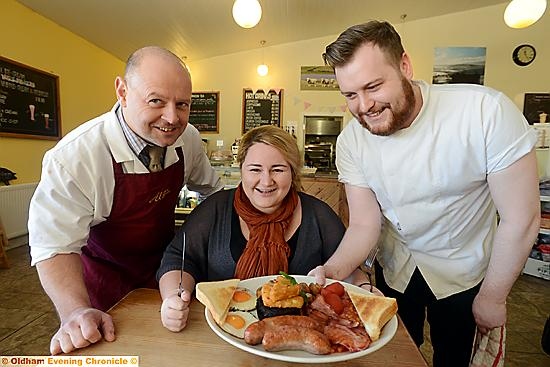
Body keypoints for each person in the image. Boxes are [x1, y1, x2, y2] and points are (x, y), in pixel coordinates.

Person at [309, 21, 540, 366]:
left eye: (373, 86)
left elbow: (520, 218)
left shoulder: (483, 112)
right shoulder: (352, 141)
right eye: (350, 95)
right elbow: (363, 224)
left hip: (464, 270)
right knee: (396, 353)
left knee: (454, 355)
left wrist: (494, 296)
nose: (364, 105)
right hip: (397, 267)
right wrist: (333, 269)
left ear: (405, 66)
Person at [28, 46, 223, 355]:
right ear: (122, 91)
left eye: (182, 104)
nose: (172, 118)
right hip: (103, 280)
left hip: (165, 274)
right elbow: (54, 246)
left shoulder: (189, 140)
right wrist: (74, 311)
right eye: (156, 100)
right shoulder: (75, 158)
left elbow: (214, 193)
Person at [156, 125, 367, 332]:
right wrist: (173, 298)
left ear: (293, 173)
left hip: (300, 337)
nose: (266, 181)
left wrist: (365, 289)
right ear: (241, 170)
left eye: (278, 169)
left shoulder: (319, 214)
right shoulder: (214, 209)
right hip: (223, 333)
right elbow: (179, 258)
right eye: (255, 169)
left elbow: (349, 269)